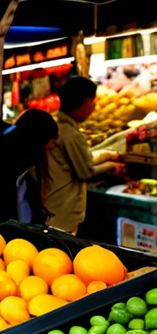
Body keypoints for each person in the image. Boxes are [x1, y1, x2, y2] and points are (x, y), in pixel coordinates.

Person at [42, 77, 124, 233]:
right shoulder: (70, 134)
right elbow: (85, 172)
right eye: (93, 102)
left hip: (52, 206)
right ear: (84, 102)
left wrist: (107, 155)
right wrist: (112, 166)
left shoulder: (57, 125)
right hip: (62, 211)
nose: (94, 107)